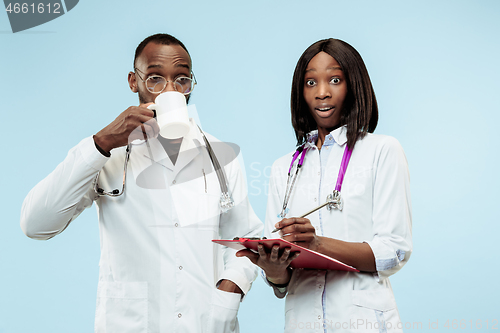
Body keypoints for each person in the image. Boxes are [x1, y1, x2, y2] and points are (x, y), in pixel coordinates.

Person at [20, 33, 263, 333]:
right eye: (155, 79)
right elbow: (35, 224)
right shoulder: (107, 154)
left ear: (190, 86)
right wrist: (103, 141)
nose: (169, 90)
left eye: (181, 79)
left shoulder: (218, 154)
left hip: (206, 324)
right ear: (133, 82)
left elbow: (246, 239)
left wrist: (230, 291)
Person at [237, 38, 412, 332]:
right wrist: (274, 268)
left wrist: (317, 244)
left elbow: (394, 251)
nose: (321, 92)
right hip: (302, 321)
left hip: (362, 321)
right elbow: (282, 282)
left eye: (334, 80)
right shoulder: (285, 167)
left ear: (354, 84)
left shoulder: (382, 150)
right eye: (309, 83)